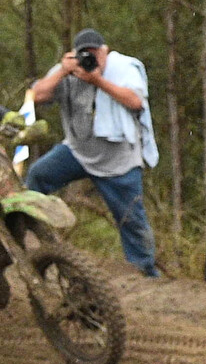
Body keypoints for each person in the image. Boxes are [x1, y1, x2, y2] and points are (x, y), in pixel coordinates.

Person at [24, 27, 160, 278]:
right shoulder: (69, 71)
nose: (90, 59)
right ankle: (32, 241)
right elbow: (36, 96)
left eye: (94, 53)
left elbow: (135, 102)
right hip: (77, 151)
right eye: (84, 54)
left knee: (132, 220)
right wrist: (63, 71)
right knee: (37, 176)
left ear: (105, 51)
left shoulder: (123, 68)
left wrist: (97, 80)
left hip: (119, 161)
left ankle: (146, 275)